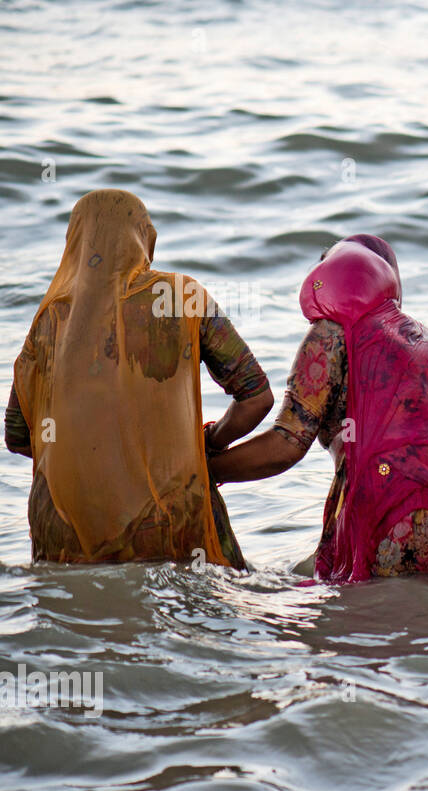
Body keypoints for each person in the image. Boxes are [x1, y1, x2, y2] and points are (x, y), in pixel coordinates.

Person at [209, 236, 428, 581]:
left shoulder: (329, 335)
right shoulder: (426, 341)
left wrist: (207, 470)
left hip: (400, 524)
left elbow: (286, 445)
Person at [6, 188, 270, 567]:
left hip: (64, 527)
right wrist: (207, 444)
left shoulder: (49, 321)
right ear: (146, 241)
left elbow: (17, 436)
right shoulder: (182, 297)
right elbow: (256, 397)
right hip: (164, 517)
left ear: (75, 244)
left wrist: (92, 457)